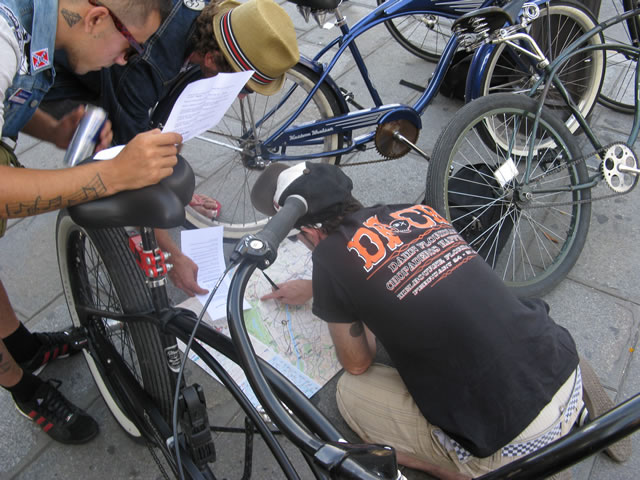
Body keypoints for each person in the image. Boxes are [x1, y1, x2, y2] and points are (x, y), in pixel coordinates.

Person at [252, 162, 632, 479]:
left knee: (350, 395)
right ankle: (571, 399)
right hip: (554, 354)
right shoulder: (415, 211)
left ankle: (469, 467)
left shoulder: (329, 256)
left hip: (508, 434)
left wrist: (341, 298)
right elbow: (396, 269)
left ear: (310, 232)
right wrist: (326, 289)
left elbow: (357, 361)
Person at [0, 0, 176, 445]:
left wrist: (57, 132)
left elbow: (9, 100)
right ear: (97, 18)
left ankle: (21, 345)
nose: (123, 62)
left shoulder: (34, 26)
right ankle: (21, 386)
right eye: (129, 49)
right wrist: (111, 176)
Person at [42, 0, 300, 297]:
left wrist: (176, 190)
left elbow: (169, 122)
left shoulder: (208, 22)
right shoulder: (146, 70)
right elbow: (135, 163)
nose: (241, 98)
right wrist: (172, 253)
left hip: (122, 61)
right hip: (61, 68)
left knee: (149, 135)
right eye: (242, 87)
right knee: (106, 148)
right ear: (214, 59)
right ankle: (131, 225)